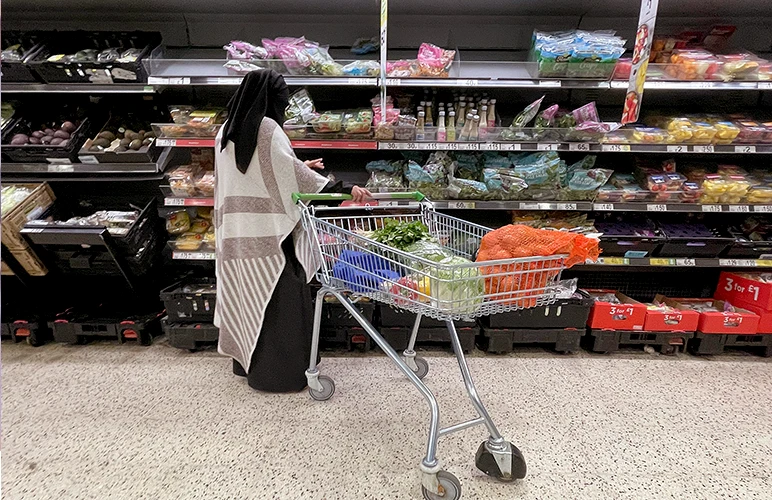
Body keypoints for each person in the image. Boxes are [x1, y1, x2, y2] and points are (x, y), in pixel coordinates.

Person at [214, 70, 371, 392]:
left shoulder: (225, 130)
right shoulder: (268, 128)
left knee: (247, 298)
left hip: (236, 233)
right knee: (280, 302)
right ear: (274, 98)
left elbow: (255, 171)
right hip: (271, 236)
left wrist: (299, 167)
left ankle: (247, 364)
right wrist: (342, 188)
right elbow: (291, 177)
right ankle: (281, 377)